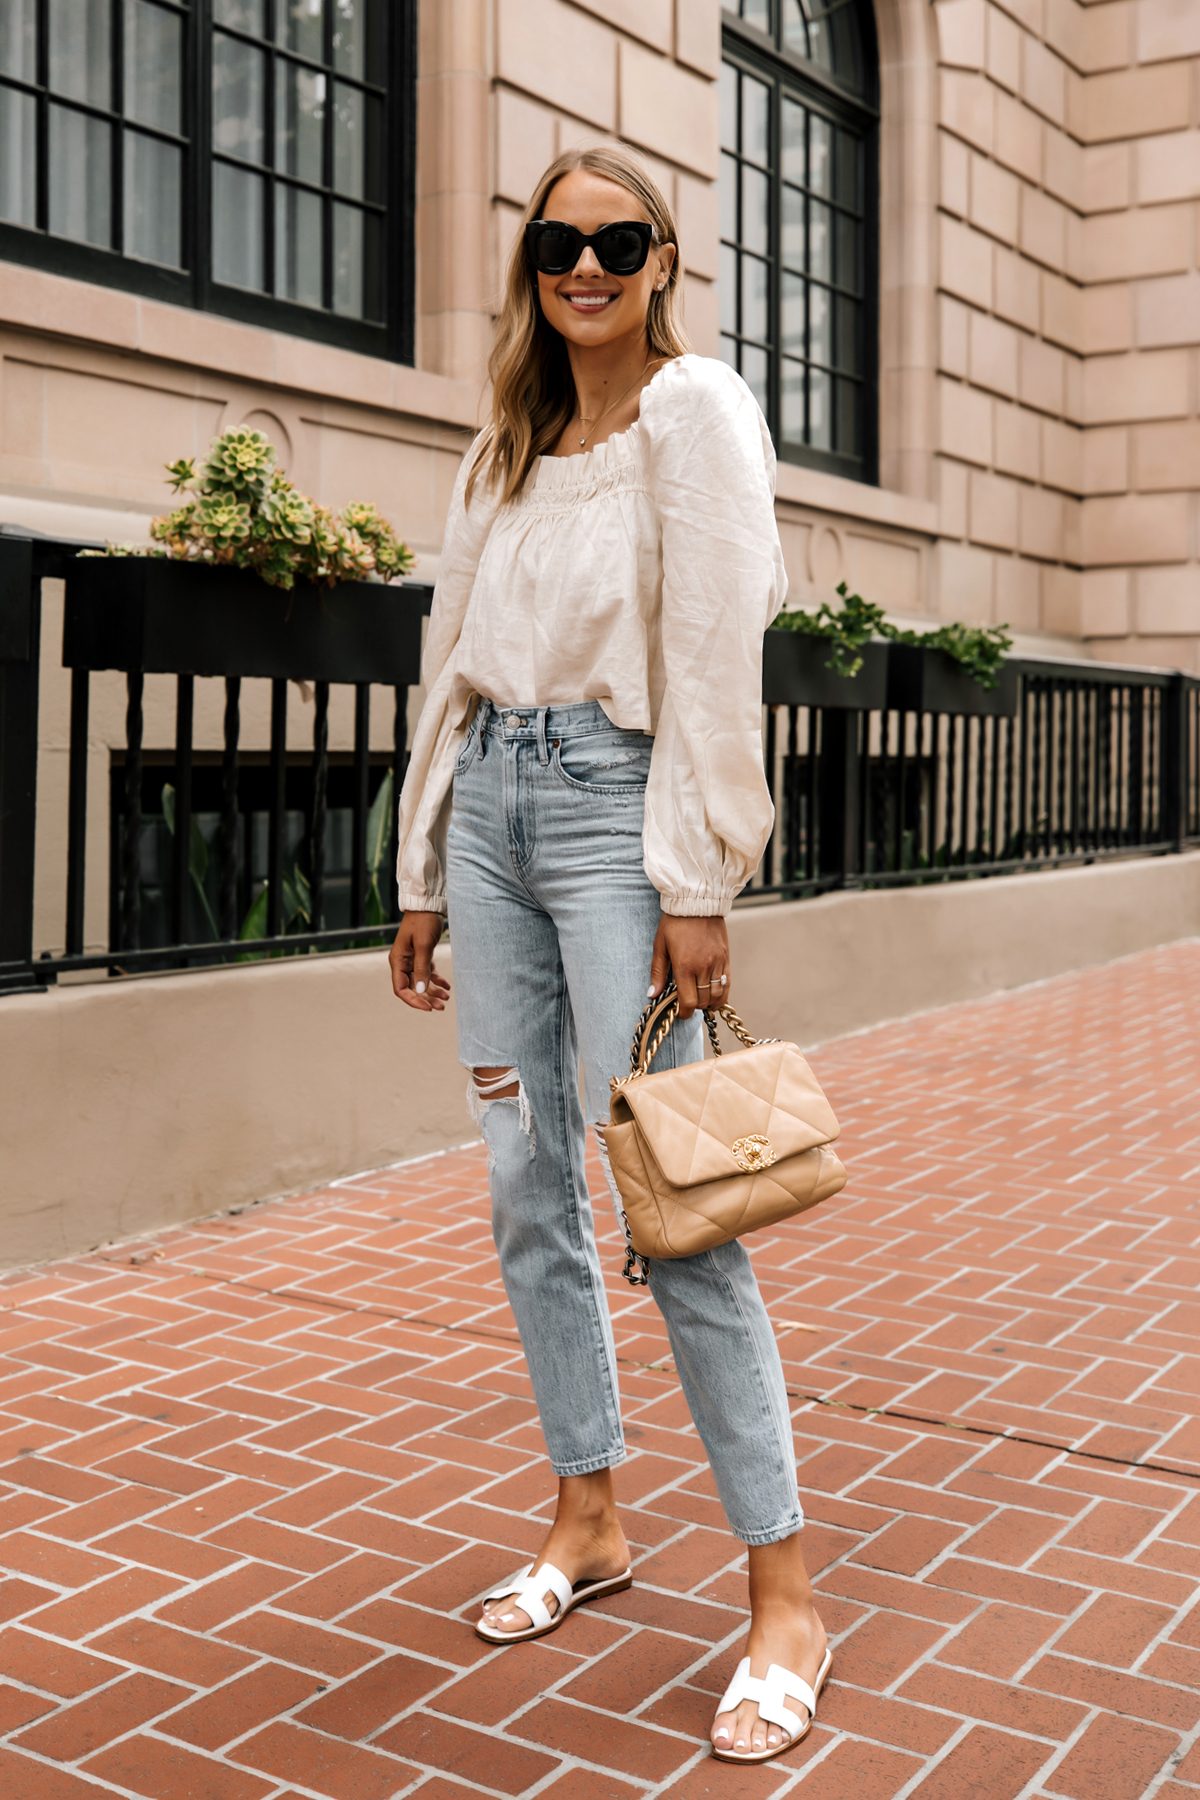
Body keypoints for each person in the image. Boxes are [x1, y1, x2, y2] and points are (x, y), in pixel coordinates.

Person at [389, 146, 828, 1765]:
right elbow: (450, 658)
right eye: (560, 240)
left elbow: (719, 633)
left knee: (680, 1201)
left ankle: (785, 1593)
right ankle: (590, 1513)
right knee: (526, 1185)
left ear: (660, 262)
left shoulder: (692, 412)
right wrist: (423, 859)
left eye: (617, 240)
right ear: (533, 262)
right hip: (495, 810)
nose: (586, 264)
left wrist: (699, 869)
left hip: (611, 819)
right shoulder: (505, 436)